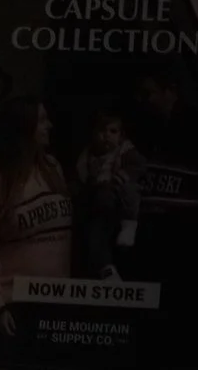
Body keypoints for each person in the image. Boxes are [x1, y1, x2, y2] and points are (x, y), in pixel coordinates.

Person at [0, 96, 74, 337]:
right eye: (42, 121)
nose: (50, 126)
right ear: (25, 128)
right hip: (16, 307)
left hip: (59, 302)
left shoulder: (53, 169)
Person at [74, 110, 143, 277]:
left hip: (120, 195)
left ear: (121, 135)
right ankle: (105, 269)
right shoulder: (88, 155)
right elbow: (82, 176)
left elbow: (138, 166)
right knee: (96, 234)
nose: (106, 136)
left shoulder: (125, 151)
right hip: (100, 202)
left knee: (131, 191)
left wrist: (123, 176)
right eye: (101, 131)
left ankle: (129, 226)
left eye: (113, 131)